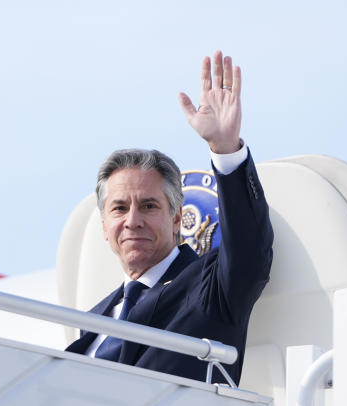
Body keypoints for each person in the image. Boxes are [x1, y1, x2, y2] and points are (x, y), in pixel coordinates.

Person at [66, 51, 273, 385]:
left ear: (177, 219)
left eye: (148, 206)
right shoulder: (95, 318)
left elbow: (249, 251)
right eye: (119, 208)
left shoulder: (209, 286)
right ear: (104, 227)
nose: (132, 220)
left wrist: (226, 148)